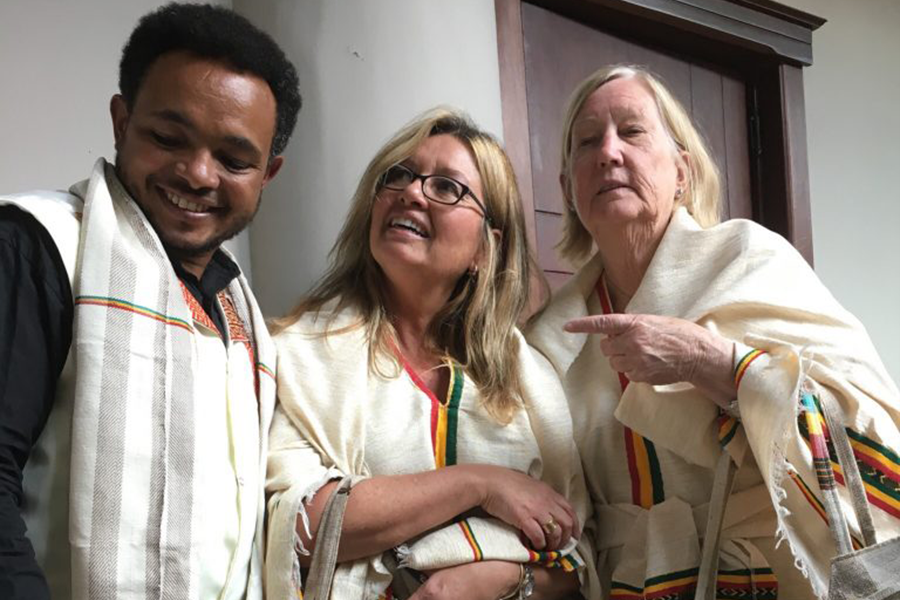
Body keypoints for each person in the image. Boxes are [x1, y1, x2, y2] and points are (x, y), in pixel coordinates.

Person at [526, 64, 900, 599]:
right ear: (568, 188)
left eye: (632, 131)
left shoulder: (750, 259)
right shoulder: (546, 341)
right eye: (587, 141)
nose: (608, 152)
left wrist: (713, 361)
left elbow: (874, 426)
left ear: (681, 171)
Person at [0, 4, 301, 599]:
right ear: (121, 121)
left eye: (234, 160)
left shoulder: (242, 316)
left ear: (268, 172)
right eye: (168, 138)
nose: (197, 174)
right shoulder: (41, 246)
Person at [265, 108, 599, 599]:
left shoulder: (528, 380)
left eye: (447, 187)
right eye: (398, 175)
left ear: (487, 248)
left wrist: (510, 578)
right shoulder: (298, 354)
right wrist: (480, 484)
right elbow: (296, 524)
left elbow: (579, 552)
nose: (412, 192)